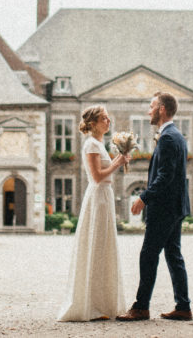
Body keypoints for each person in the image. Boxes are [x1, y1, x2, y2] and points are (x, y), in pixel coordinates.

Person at [116, 91, 192, 322]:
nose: (148, 111)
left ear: (161, 109)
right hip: (176, 207)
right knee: (173, 255)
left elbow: (165, 175)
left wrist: (144, 197)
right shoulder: (176, 135)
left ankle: (141, 307)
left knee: (148, 255)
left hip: (165, 208)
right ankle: (183, 306)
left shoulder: (168, 138)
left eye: (151, 106)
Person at [57, 105, 130, 321]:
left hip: (104, 197)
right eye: (104, 118)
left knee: (104, 247)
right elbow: (97, 176)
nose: (108, 121)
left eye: (108, 118)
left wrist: (118, 159)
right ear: (93, 123)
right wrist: (118, 161)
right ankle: (91, 305)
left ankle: (102, 303)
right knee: (96, 246)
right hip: (98, 198)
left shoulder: (99, 144)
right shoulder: (91, 144)